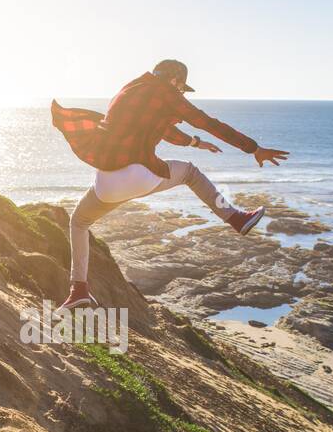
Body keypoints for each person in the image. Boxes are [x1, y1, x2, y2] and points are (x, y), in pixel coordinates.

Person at [50, 59, 289, 310]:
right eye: (182, 88)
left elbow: (166, 131)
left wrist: (196, 143)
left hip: (106, 181)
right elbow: (207, 122)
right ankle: (236, 218)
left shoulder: (129, 90)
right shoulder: (165, 92)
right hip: (140, 174)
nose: (181, 93)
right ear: (174, 80)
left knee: (78, 222)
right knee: (190, 173)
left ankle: (78, 290)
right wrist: (254, 148)